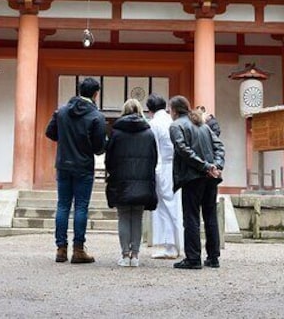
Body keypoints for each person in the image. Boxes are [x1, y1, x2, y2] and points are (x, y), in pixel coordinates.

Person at [45, 77, 107, 264]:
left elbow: (50, 133)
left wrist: (65, 140)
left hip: (63, 164)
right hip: (84, 166)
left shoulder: (61, 111)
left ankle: (61, 249)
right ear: (96, 93)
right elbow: (98, 148)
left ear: (79, 90)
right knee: (81, 207)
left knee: (62, 205)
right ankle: (78, 249)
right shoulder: (96, 116)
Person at [169, 95, 225, 269]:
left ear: (174, 110)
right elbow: (219, 146)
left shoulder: (176, 126)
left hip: (193, 176)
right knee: (210, 216)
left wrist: (205, 166)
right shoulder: (203, 125)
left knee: (191, 217)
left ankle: (193, 258)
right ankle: (213, 257)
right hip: (210, 177)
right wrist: (216, 165)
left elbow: (183, 150)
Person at [105, 99, 158, 267]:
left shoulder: (116, 132)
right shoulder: (148, 133)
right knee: (138, 217)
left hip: (121, 181)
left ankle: (125, 255)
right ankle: (135, 255)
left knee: (123, 217)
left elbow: (109, 159)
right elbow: (154, 159)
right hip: (142, 181)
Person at [147, 93, 183, 259]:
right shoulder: (172, 120)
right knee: (174, 206)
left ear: (150, 110)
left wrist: (154, 171)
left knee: (164, 207)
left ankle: (169, 246)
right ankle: (178, 244)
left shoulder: (154, 123)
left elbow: (155, 150)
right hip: (175, 167)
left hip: (162, 167)